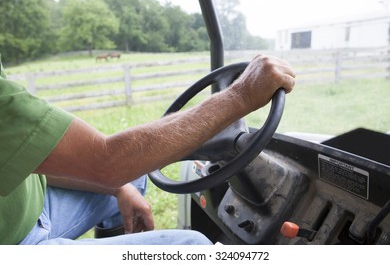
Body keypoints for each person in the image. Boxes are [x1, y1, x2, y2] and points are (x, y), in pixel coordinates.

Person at [0, 54, 295, 245]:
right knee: (194, 248)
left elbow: (27, 156)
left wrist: (117, 188)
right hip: (14, 243)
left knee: (131, 182)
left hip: (27, 207)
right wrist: (240, 95)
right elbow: (107, 160)